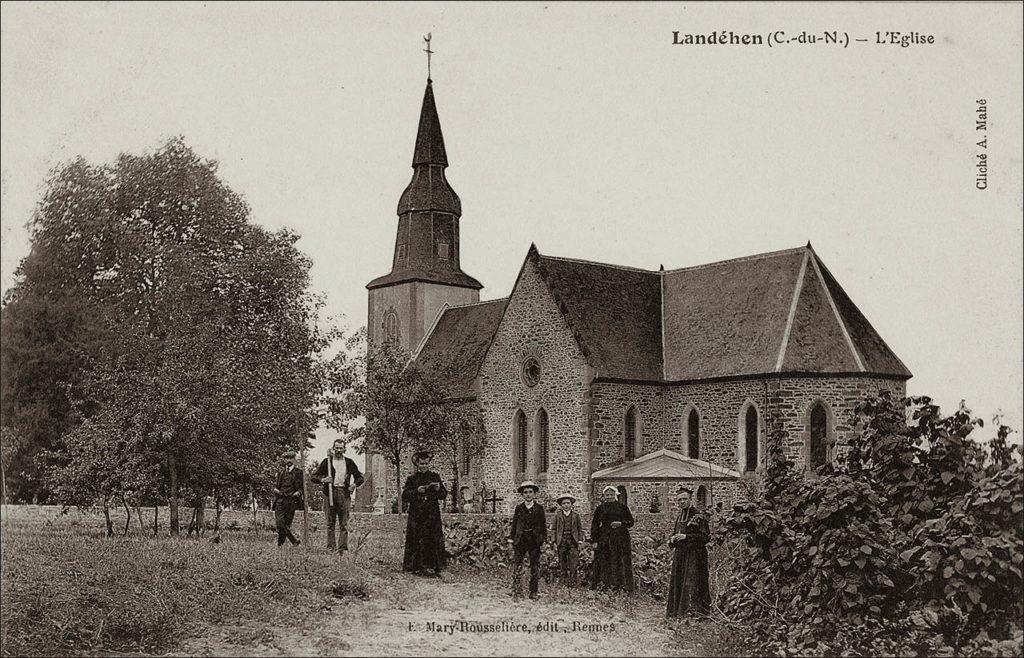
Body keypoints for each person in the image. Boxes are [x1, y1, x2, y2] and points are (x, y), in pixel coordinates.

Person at [312, 436, 364, 555]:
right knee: (330, 523)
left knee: (343, 523)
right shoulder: (327, 462)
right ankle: (331, 547)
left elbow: (360, 477)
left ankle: (342, 549)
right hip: (329, 494)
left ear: (344, 449)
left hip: (344, 494)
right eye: (336, 448)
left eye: (341, 448)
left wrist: (354, 485)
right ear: (333, 448)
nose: (338, 450)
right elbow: (313, 477)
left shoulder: (349, 462)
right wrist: (324, 480)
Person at [666, 486, 711, 617]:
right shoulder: (680, 516)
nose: (682, 502)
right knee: (679, 581)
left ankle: (695, 613)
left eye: (684, 499)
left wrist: (687, 537)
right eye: (679, 500)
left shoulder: (698, 516)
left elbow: (705, 537)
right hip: (680, 555)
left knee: (693, 582)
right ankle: (678, 612)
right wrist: (672, 539)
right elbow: (675, 533)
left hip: (695, 556)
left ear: (690, 499)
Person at [402, 450, 448, 575]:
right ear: (417, 464)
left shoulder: (435, 477)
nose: (424, 466)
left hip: (431, 514)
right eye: (422, 464)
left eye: (426, 464)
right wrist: (417, 491)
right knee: (416, 539)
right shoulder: (412, 479)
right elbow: (405, 496)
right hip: (417, 514)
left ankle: (433, 565)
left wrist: (439, 489)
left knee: (432, 538)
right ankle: (414, 566)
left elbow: (443, 495)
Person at [590, 485, 635, 592]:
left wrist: (621, 523)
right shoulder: (600, 508)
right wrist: (594, 540)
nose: (609, 497)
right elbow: (595, 525)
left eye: (611, 494)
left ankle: (622, 586)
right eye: (607, 495)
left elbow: (631, 522)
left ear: (616, 495)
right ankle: (606, 585)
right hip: (605, 538)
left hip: (621, 538)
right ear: (604, 496)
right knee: (605, 561)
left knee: (620, 561)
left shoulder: (623, 507)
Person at [508, 480, 547, 599]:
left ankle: (533, 592)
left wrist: (543, 540)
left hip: (534, 541)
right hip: (521, 540)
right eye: (525, 492)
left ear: (534, 494)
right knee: (517, 565)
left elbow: (543, 525)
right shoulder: (519, 508)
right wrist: (511, 540)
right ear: (522, 495)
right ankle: (516, 590)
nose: (528, 494)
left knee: (534, 566)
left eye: (530, 492)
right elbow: (514, 524)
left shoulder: (539, 508)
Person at [271, 450, 304, 547]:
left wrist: (298, 492)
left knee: (286, 525)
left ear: (294, 459)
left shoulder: (299, 472)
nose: (288, 460)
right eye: (286, 458)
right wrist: (276, 490)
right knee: (280, 524)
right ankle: (294, 541)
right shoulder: (281, 472)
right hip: (280, 500)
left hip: (292, 501)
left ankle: (279, 546)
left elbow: (302, 487)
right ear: (284, 460)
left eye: (291, 458)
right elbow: (276, 486)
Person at [553, 493, 583, 586]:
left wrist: (580, 540)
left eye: (568, 503)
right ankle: (564, 581)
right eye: (564, 503)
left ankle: (573, 581)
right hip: (561, 540)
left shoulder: (576, 515)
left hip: (572, 540)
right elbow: (554, 529)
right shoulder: (557, 515)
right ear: (561, 505)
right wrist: (554, 541)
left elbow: (579, 528)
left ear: (571, 504)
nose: (566, 505)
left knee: (573, 561)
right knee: (562, 561)